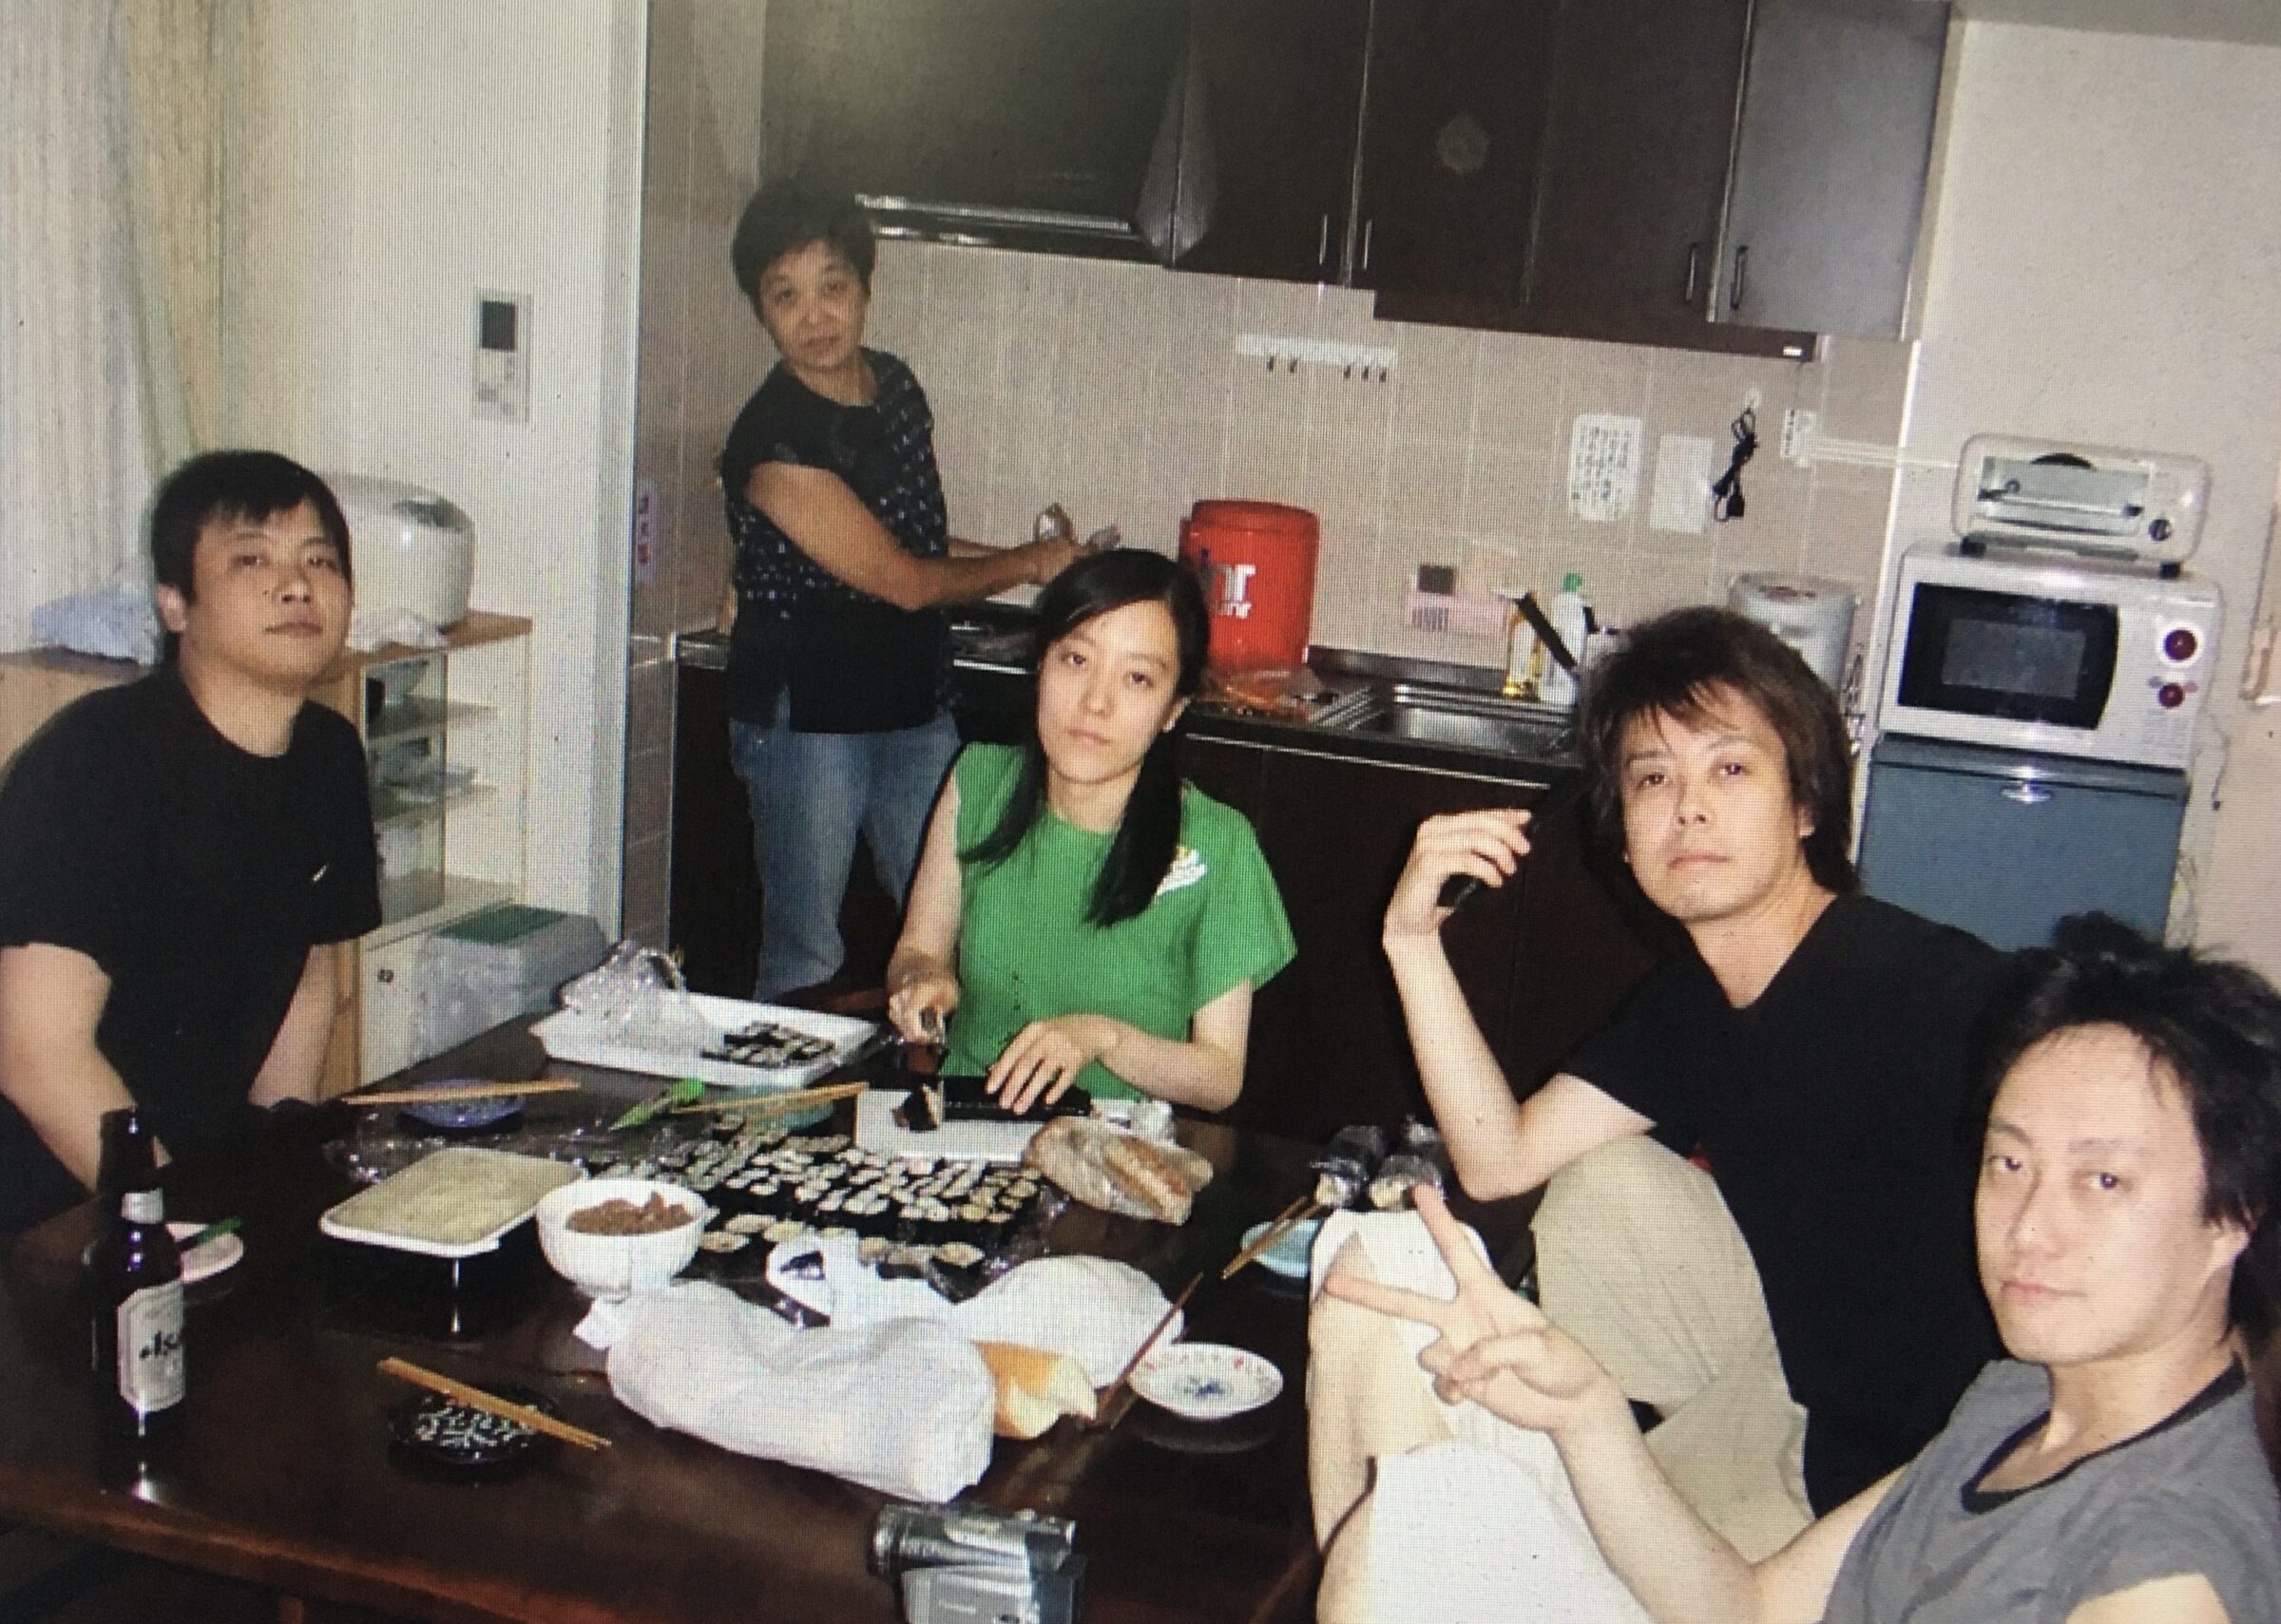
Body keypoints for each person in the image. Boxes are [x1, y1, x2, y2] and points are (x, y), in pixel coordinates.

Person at [1313, 608, 2005, 1588]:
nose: (1688, 808)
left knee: (1439, 1540)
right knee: (1440, 1242)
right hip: (1792, 1408)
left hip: (1898, 1502)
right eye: (1652, 778)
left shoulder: (1926, 989)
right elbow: (1498, 1156)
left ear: (1806, 805)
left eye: (1730, 769)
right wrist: (1411, 941)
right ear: (1625, 837)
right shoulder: (1694, 999)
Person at [1328, 914, 2281, 1624]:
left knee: (1411, 1529)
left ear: (2233, 1215)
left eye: (2103, 1179)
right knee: (1383, 1296)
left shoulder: (2162, 1568)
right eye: (2009, 1161)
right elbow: (1749, 1605)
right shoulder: (2022, 1398)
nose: (2031, 1225)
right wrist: (1585, 1411)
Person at [0, 450, 380, 1254]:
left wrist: (275, 1155)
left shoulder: (330, 755)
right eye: (252, 560)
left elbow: (310, 977)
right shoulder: (94, 764)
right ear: (174, 603)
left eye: (320, 561)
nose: (297, 586)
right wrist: (177, 1219)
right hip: (38, 1218)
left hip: (193, 1184)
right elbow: (39, 1060)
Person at [720, 181, 1083, 999]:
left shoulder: (895, 388)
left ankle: (949, 1084)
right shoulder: (773, 441)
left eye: (832, 285)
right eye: (785, 296)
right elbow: (907, 581)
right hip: (807, 714)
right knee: (809, 952)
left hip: (911, 697)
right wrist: (1027, 563)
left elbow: (914, 544)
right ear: (761, 311)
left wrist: (1045, 563)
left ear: (865, 287)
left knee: (954, 927)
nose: (815, 316)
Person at [884, 549, 1294, 1112]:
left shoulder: (1217, 843)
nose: (1096, 703)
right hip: (968, 1126)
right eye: (1076, 660)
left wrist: (1102, 1038)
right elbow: (917, 950)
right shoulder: (980, 781)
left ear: (1173, 710)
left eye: (1137, 678)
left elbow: (1219, 1078)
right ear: (1041, 664)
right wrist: (922, 981)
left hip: (1117, 1147)